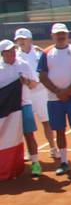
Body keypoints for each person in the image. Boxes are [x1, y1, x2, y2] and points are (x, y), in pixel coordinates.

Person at [37, 23, 71, 175]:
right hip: (54, 99)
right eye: (58, 34)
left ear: (67, 35)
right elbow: (42, 76)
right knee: (59, 130)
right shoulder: (46, 53)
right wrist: (58, 92)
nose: (61, 36)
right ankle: (64, 162)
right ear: (53, 36)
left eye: (63, 34)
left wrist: (68, 91)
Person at [0, 39, 41, 176]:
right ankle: (7, 165)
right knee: (5, 136)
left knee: (29, 134)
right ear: (3, 53)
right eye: (9, 51)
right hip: (6, 111)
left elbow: (34, 84)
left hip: (24, 105)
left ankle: (35, 163)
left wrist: (27, 81)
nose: (12, 53)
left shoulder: (23, 65)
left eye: (13, 50)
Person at [15, 28, 56, 159]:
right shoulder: (15, 56)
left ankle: (53, 147)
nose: (21, 41)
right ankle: (29, 150)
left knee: (46, 122)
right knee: (27, 125)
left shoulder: (39, 53)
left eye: (23, 39)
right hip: (25, 95)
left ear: (30, 40)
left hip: (41, 93)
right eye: (19, 39)